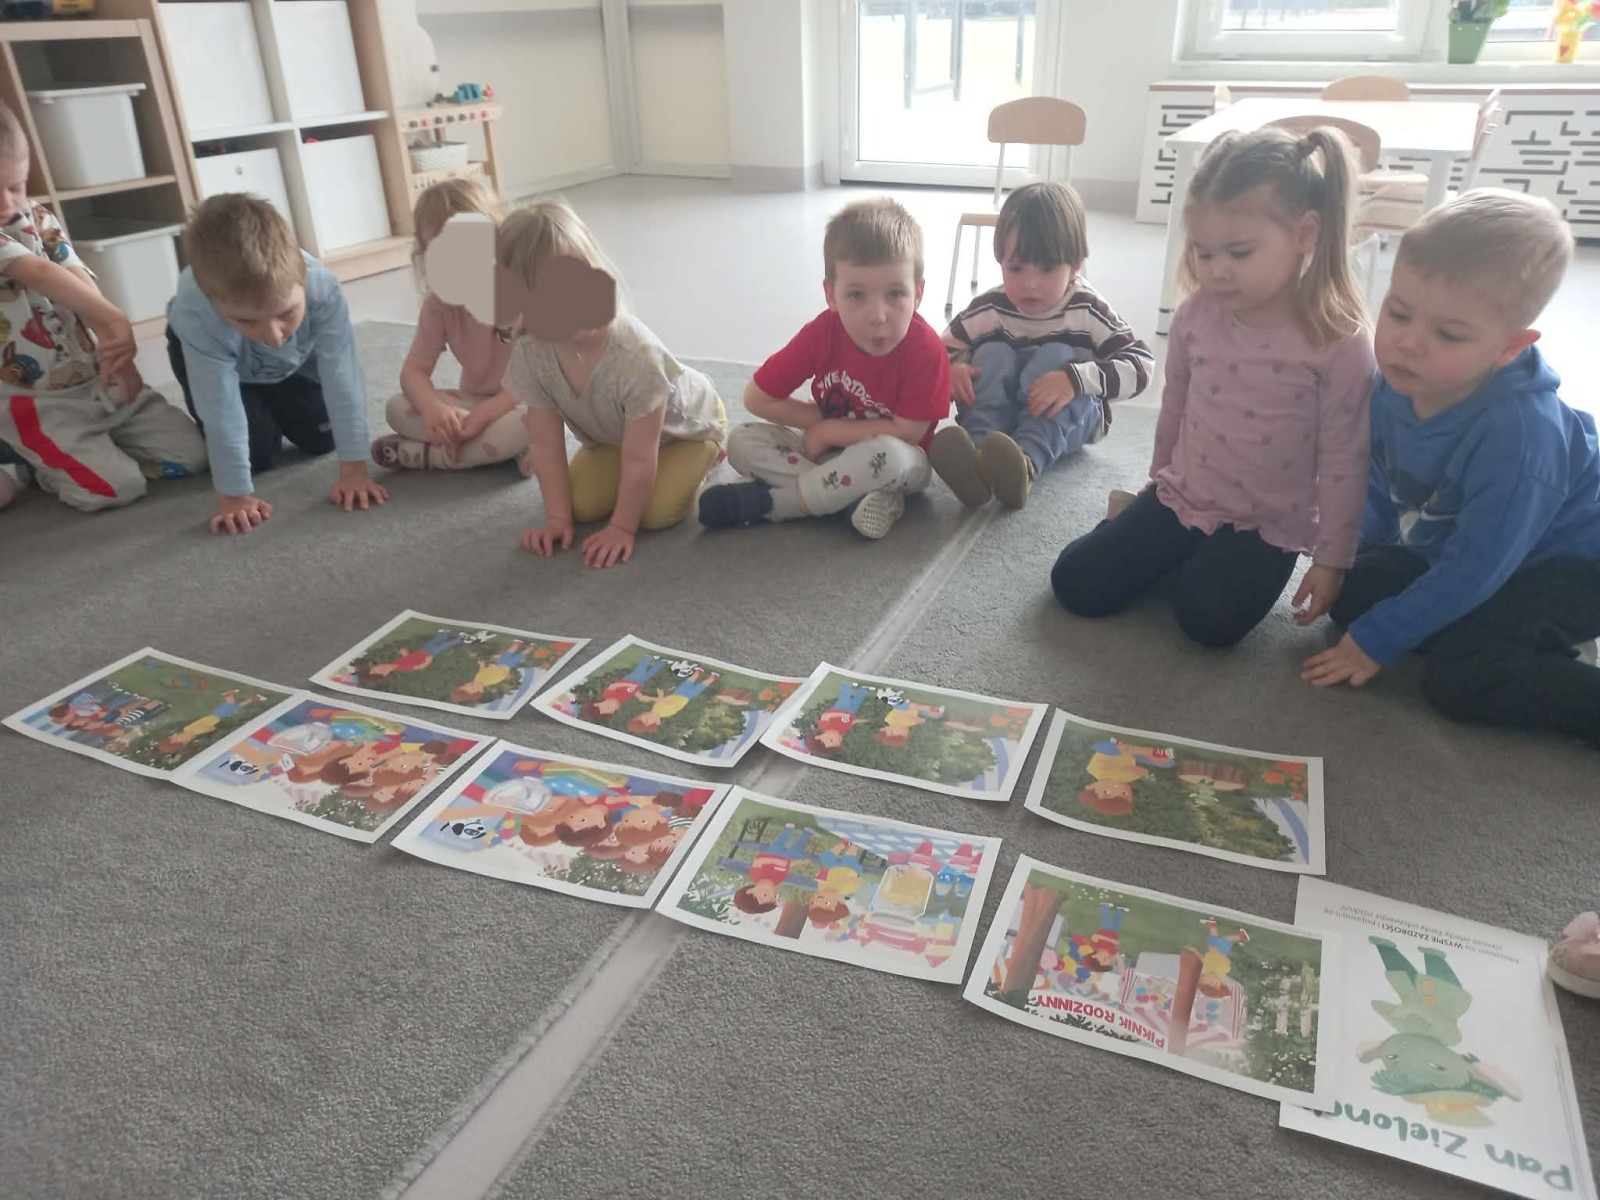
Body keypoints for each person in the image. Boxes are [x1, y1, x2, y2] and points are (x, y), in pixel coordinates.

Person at [1051, 126, 1375, 647]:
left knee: (1208, 620)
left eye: (1239, 253)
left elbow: (1345, 460)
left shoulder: (1339, 342)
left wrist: (1333, 560)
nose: (1216, 270)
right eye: (1203, 252)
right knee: (1075, 583)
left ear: (1305, 234)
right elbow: (1175, 408)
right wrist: (1155, 486)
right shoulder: (1194, 317)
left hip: (1265, 524)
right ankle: (1137, 529)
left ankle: (1190, 562)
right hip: (1185, 495)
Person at [1300, 189, 1599, 752]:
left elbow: (1479, 565)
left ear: (1510, 347)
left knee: (1460, 678)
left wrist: (1378, 642)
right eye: (1399, 312)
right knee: (1354, 595)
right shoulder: (1393, 384)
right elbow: (1379, 482)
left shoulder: (1520, 438)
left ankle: (1535, 652)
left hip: (1573, 565)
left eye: (1449, 334)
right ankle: (1493, 629)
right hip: (1475, 545)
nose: (1408, 343)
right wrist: (1340, 557)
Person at [697, 196, 950, 540]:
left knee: (891, 457)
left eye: (895, 294)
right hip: (824, 456)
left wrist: (830, 431)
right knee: (742, 440)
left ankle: (777, 504)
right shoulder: (822, 334)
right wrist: (816, 422)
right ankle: (846, 500)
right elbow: (757, 397)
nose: (878, 316)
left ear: (918, 293)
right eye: (856, 295)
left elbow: (906, 433)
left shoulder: (927, 350)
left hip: (894, 458)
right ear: (831, 295)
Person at [0, 101, 205, 511]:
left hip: (96, 377)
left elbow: (75, 276)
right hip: (36, 401)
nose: (7, 204)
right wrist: (116, 321)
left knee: (193, 457)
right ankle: (28, 464)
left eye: (15, 186)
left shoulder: (35, 214)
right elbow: (37, 272)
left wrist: (114, 350)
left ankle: (87, 448)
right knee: (114, 488)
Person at [504, 200, 726, 568]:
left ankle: (712, 454)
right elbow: (544, 442)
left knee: (655, 514)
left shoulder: (636, 355)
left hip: (684, 430)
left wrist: (622, 528)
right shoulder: (531, 352)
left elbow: (640, 457)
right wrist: (557, 518)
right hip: (617, 436)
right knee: (579, 506)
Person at [167, 193, 388, 534]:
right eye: (246, 321)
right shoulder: (195, 313)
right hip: (225, 367)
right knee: (256, 455)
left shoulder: (323, 289)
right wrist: (234, 496)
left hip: (292, 366)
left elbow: (342, 375)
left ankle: (268, 400)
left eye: (286, 313)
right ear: (214, 302)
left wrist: (355, 470)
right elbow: (219, 407)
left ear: (302, 279)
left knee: (324, 438)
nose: (272, 335)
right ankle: (256, 405)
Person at [933, 181, 1154, 509]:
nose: (1030, 284)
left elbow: (1141, 366)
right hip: (1002, 419)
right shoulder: (990, 307)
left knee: (1056, 355)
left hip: (1069, 419)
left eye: (1047, 268)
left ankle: (1024, 464)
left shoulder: (1088, 309)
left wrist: (1075, 379)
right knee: (991, 354)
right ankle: (978, 460)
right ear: (1000, 261)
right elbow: (937, 351)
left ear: (1075, 265)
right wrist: (953, 369)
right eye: (1016, 268)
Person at [371, 178, 526, 471]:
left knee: (533, 421)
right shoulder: (439, 305)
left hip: (522, 401)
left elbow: (540, 379)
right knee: (396, 407)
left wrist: (483, 417)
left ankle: (425, 455)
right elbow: (414, 370)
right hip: (472, 400)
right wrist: (434, 409)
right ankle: (495, 448)